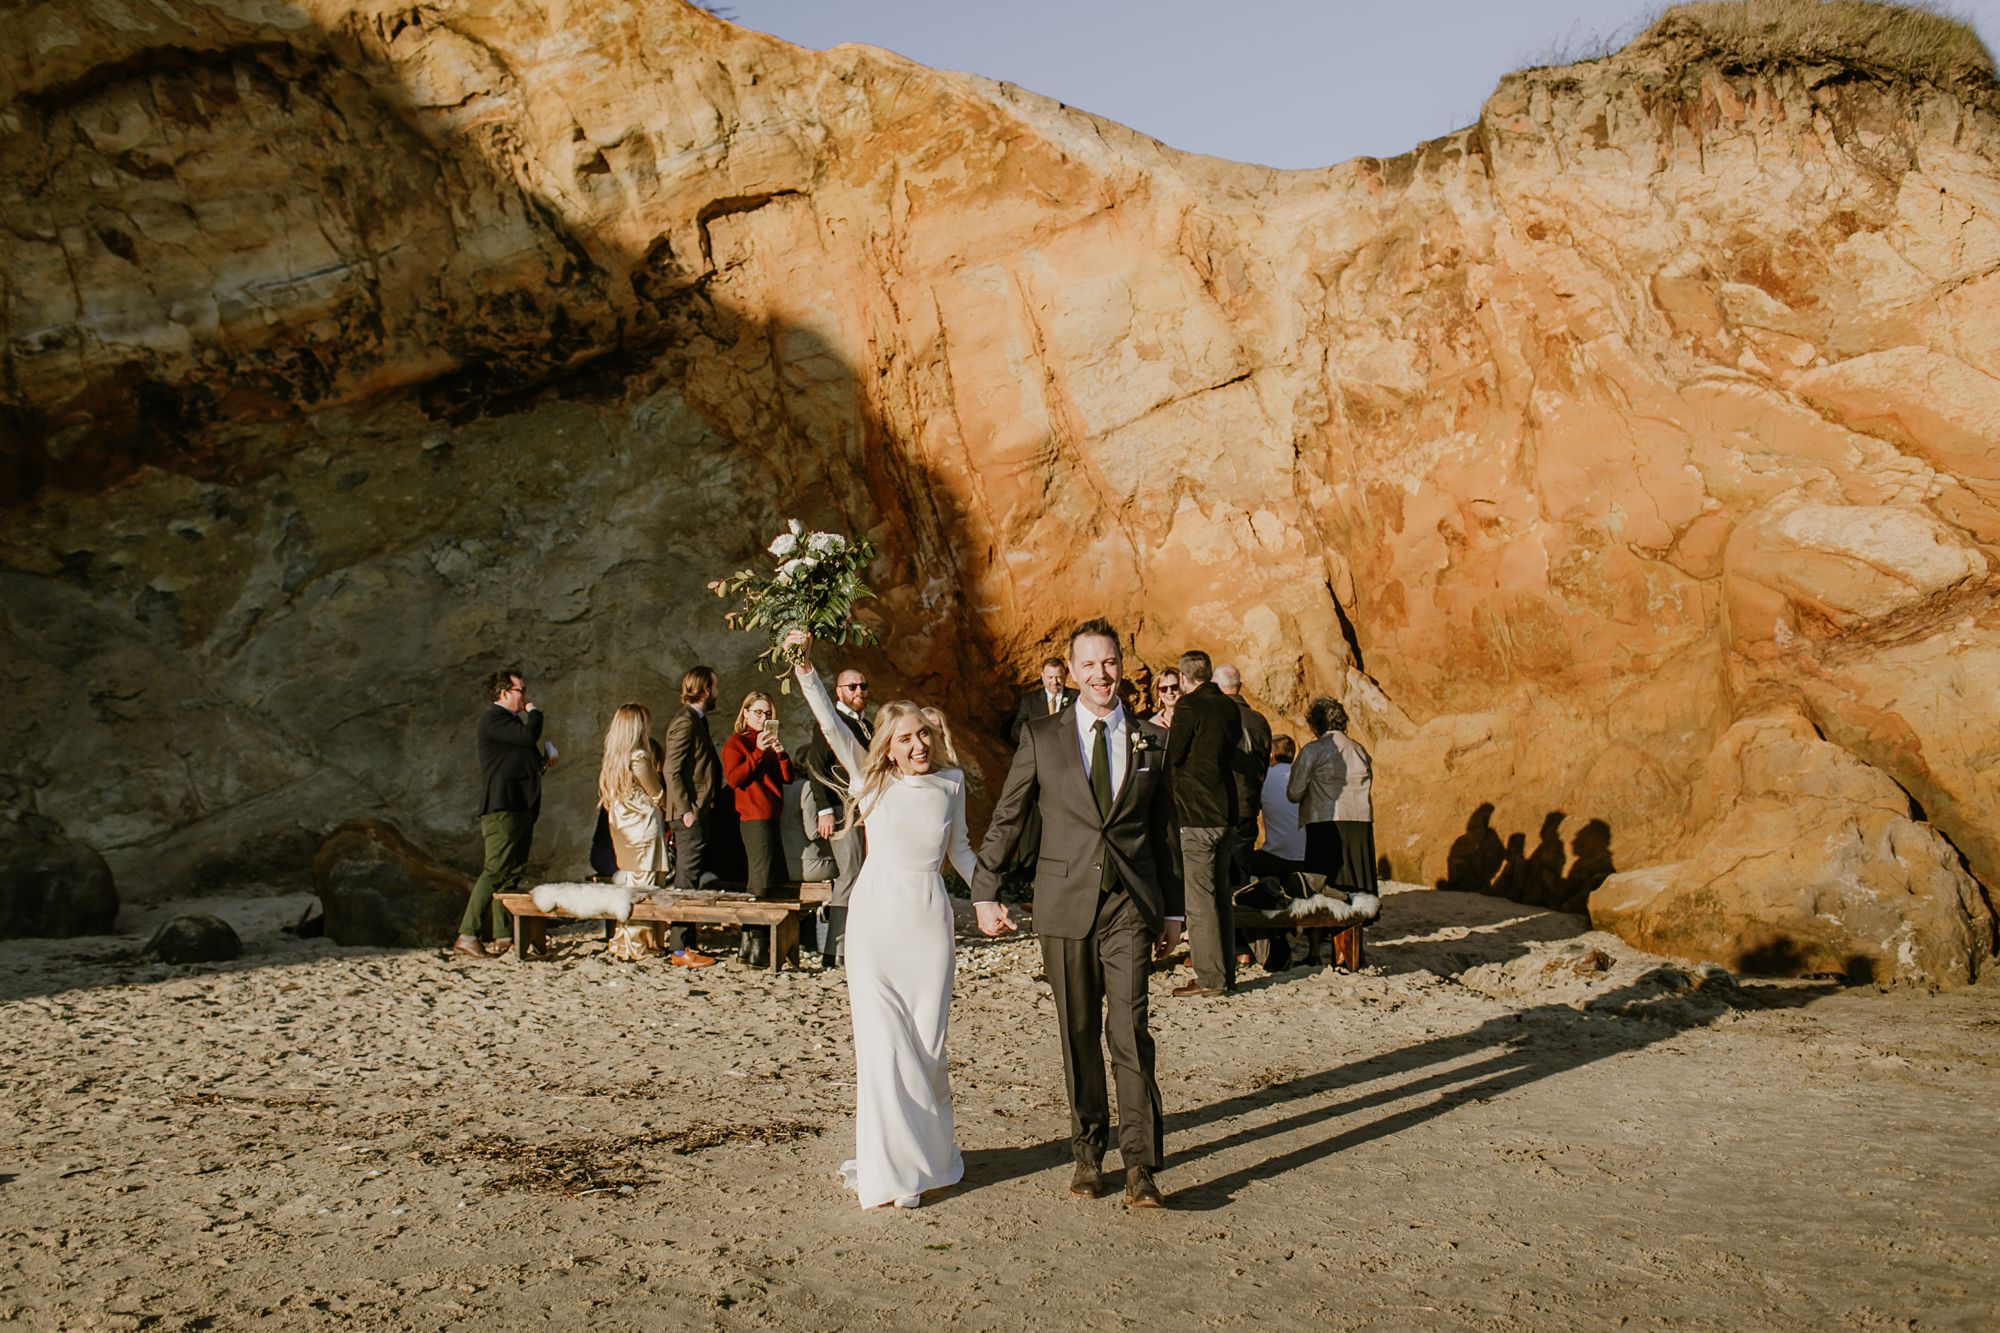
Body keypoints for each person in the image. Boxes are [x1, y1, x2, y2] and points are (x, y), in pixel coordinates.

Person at [972, 618, 1183, 1210]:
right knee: (1079, 1035)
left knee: (1130, 1032)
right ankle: (1088, 1154)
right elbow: (1009, 817)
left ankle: (1141, 1165)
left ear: (1122, 667)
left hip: (1129, 908)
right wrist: (985, 888)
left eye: (1109, 662)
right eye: (1088, 664)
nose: (1101, 674)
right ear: (1070, 671)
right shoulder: (1042, 736)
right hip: (1064, 907)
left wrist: (1174, 912)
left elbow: (1166, 834)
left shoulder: (1151, 741)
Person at [786, 629, 976, 1210]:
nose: (918, 744)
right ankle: (894, 1175)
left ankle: (929, 1158)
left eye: (923, 734)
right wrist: (803, 666)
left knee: (929, 1048)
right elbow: (829, 725)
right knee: (883, 1046)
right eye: (905, 738)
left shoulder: (952, 782)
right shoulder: (868, 781)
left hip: (929, 921)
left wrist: (992, 897)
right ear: (888, 747)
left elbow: (962, 851)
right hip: (874, 922)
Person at [1165, 650, 1244, 998]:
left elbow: (1175, 754)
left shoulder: (1188, 707)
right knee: (1222, 897)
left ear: (1183, 679)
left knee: (1199, 901)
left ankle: (1210, 978)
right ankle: (1226, 973)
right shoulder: (1229, 707)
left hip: (1196, 814)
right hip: (1226, 810)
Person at [457, 667, 546, 960]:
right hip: (502, 809)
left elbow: (520, 760)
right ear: (504, 693)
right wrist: (535, 713)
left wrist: (545, 764)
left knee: (512, 872)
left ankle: (504, 936)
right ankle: (467, 934)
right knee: (495, 869)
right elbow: (527, 736)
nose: (525, 696)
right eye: (521, 691)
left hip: (519, 807)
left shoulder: (508, 724)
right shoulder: (494, 719)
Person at [803, 665, 873, 968]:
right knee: (850, 874)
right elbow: (815, 766)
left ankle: (850, 946)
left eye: (863, 686)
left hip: (863, 811)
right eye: (852, 686)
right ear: (839, 692)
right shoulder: (830, 721)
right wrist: (825, 809)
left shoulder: (865, 724)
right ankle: (834, 951)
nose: (859, 691)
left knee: (861, 876)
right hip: (842, 812)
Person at [723, 690, 796, 965]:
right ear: (745, 713)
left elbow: (788, 777)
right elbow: (734, 779)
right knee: (760, 880)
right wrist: (757, 753)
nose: (762, 718)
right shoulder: (736, 743)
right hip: (753, 816)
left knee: (768, 875)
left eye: (767, 714)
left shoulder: (768, 742)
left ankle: (748, 944)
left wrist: (780, 753)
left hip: (772, 814)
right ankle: (757, 944)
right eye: (758, 712)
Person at [1288, 698, 1377, 905]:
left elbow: (1294, 793)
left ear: (1315, 723)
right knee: (1359, 885)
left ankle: (1326, 933)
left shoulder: (1313, 750)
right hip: (1360, 823)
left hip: (1325, 823)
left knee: (1325, 887)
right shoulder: (1359, 750)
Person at [598, 704, 669, 962]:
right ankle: (640, 944)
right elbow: (657, 792)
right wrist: (668, 805)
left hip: (623, 827)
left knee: (631, 883)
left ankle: (626, 939)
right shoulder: (639, 756)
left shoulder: (614, 757)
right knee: (646, 885)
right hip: (642, 826)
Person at [662, 665, 723, 969]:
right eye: (715, 685)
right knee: (685, 879)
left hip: (697, 811)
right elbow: (670, 770)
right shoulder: (685, 722)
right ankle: (679, 948)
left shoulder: (698, 721)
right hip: (688, 815)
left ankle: (687, 943)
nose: (718, 691)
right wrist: (686, 810)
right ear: (703, 689)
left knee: (692, 877)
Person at [1214, 662, 1273, 891]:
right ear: (1240, 686)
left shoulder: (1215, 717)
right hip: (1247, 805)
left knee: (1218, 873)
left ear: (1215, 686)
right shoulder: (1259, 720)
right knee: (1241, 873)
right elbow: (1264, 766)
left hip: (1218, 806)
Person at [1251, 735, 1307, 875]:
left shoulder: (1263, 776)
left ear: (1271, 756)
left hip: (1275, 858)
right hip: (1306, 859)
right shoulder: (1303, 776)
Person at [1007, 657, 1077, 745]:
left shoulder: (1077, 697)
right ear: (1042, 676)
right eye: (1050, 677)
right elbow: (1016, 730)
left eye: (1058, 677)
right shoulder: (1029, 700)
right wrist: (1034, 738)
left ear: (1065, 675)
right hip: (1039, 752)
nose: (1054, 682)